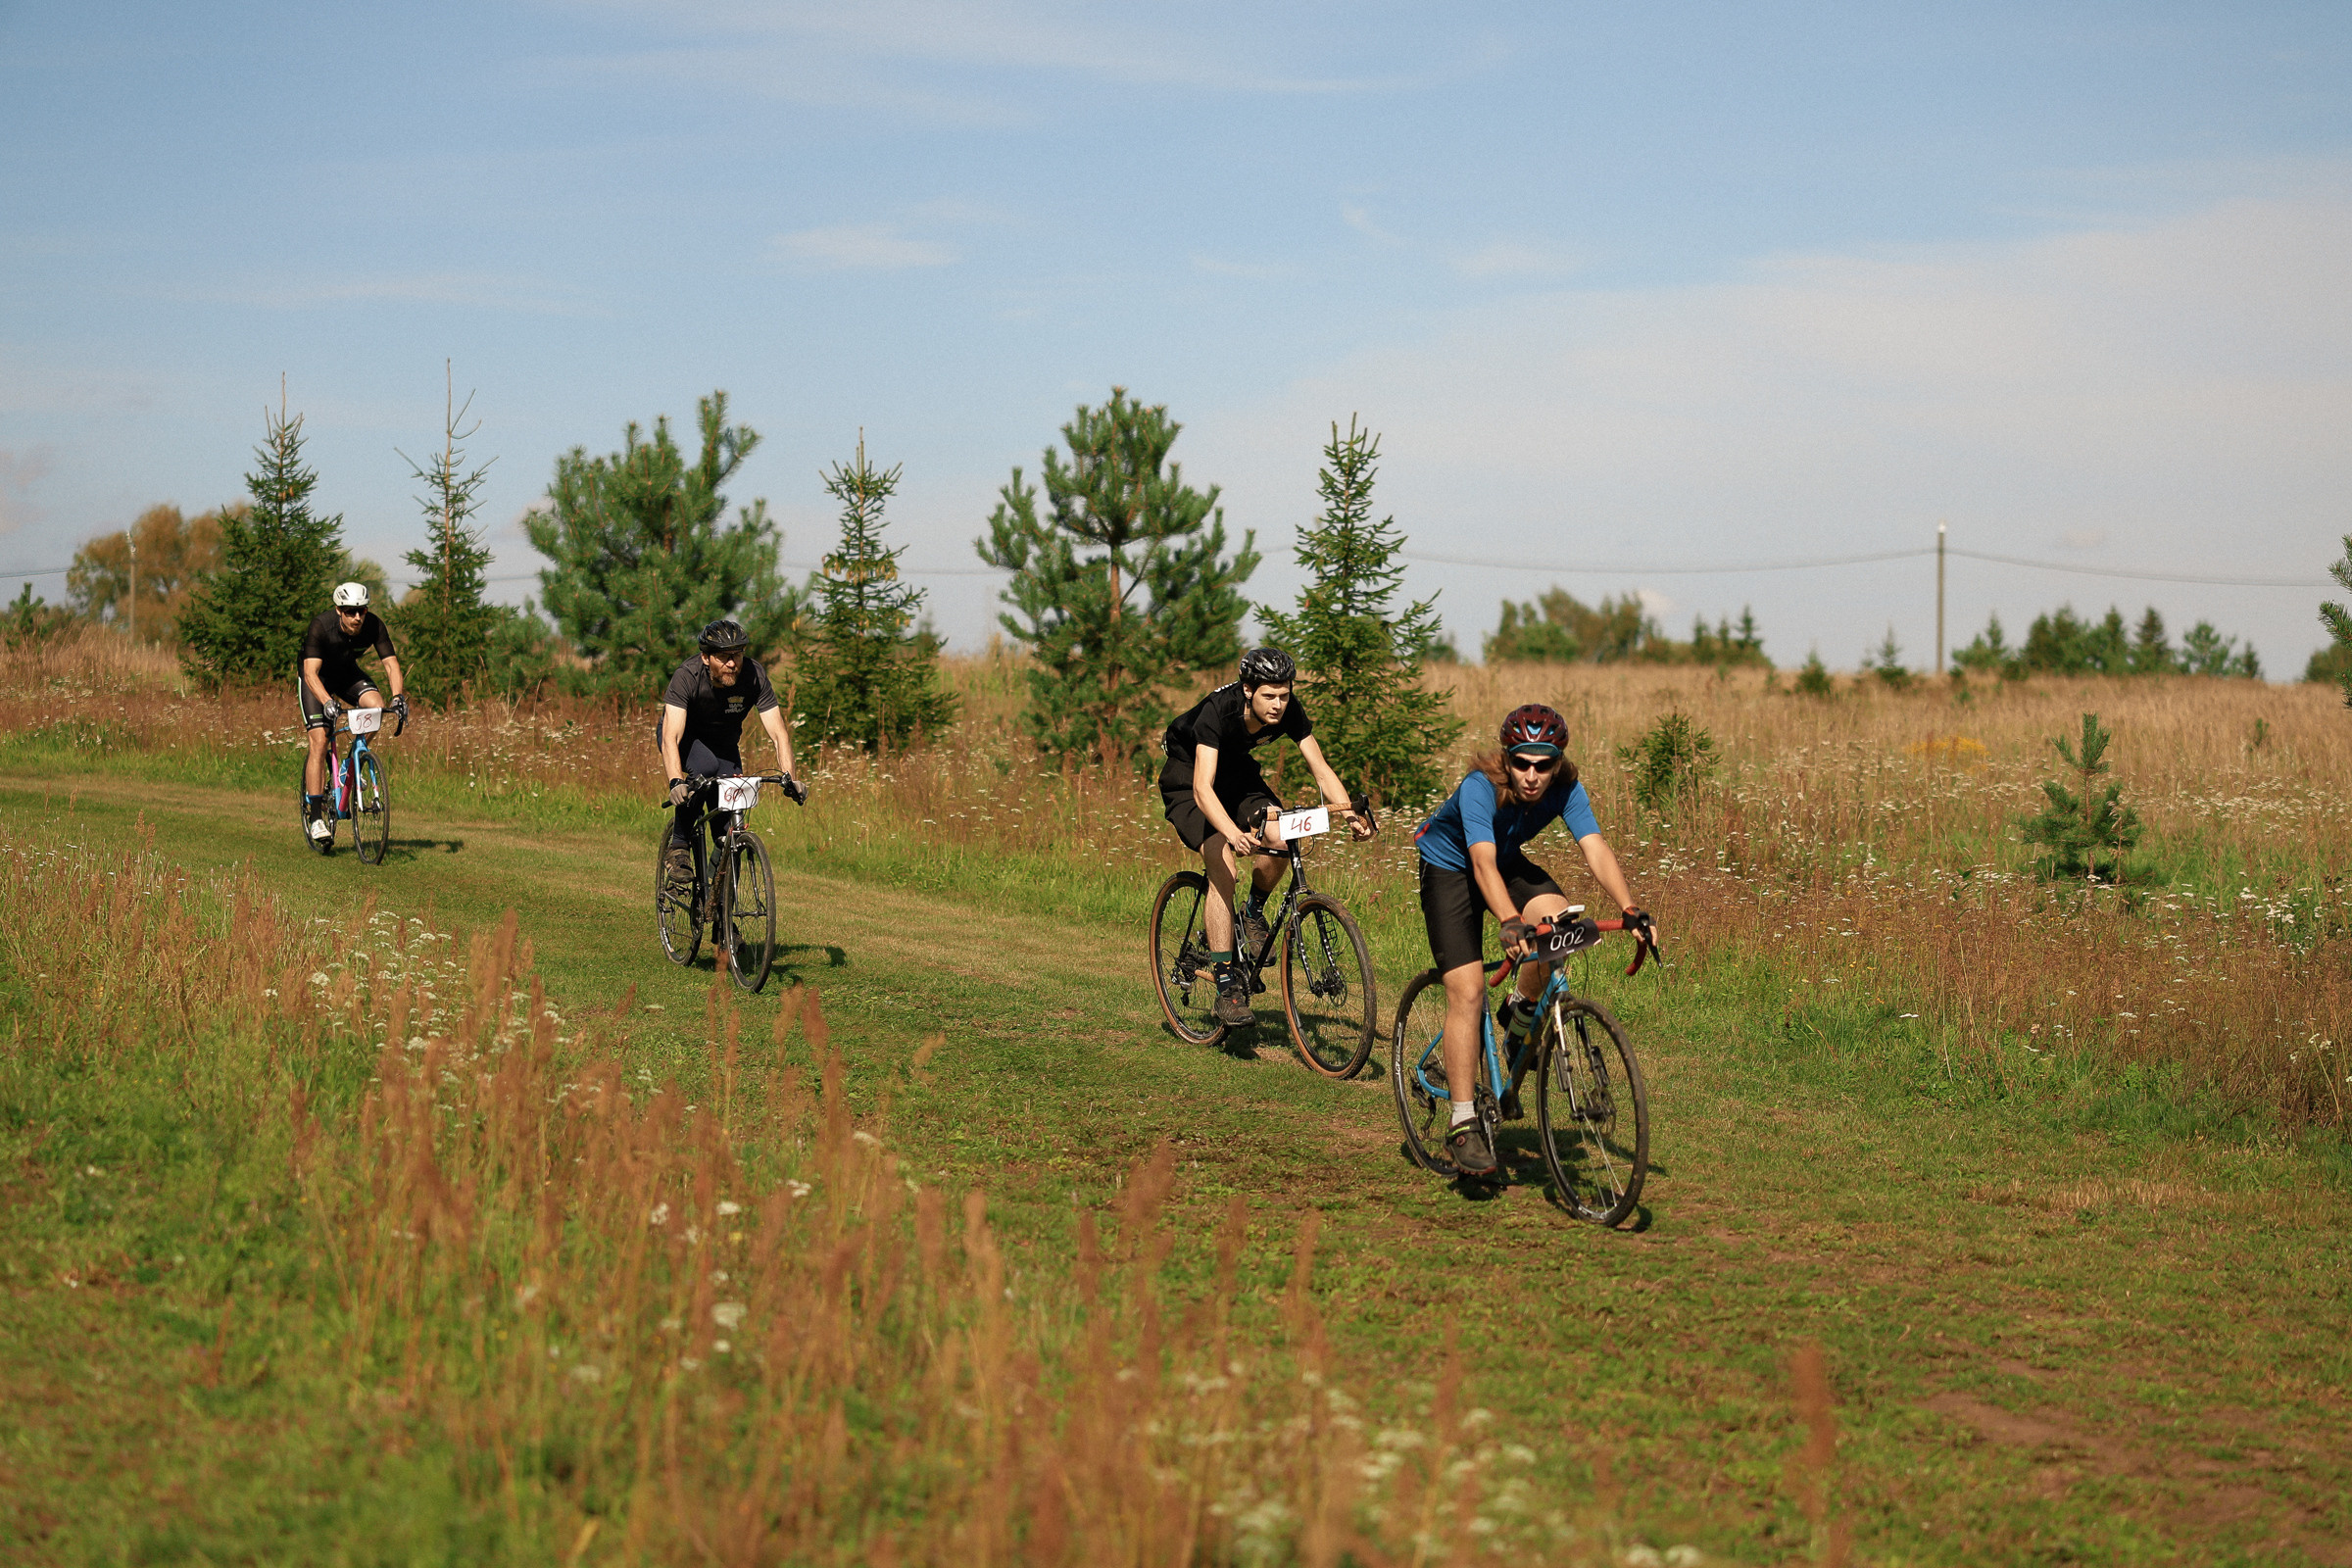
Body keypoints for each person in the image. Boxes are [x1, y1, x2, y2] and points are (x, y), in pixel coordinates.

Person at [1412, 703, 1655, 1176]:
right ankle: (1463, 1123)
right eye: (1521, 762)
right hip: (1451, 867)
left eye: (1543, 765)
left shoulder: (1566, 788)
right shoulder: (1481, 787)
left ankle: (1520, 1011)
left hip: (1504, 861)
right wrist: (1507, 918)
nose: (1531, 775)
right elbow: (1480, 863)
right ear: (1507, 759)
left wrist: (1630, 908)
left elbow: (1594, 846)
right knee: (1468, 990)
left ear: (1557, 763)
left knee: (1558, 923)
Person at [1159, 648, 1374, 1028]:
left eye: (1284, 695)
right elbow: (1203, 791)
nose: (1278, 705)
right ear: (1248, 690)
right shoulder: (1217, 712)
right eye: (1269, 696)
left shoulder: (1289, 710)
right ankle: (1226, 991)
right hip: (1189, 778)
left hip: (1237, 776)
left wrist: (1349, 813)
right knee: (1224, 866)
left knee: (1282, 831)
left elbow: (1320, 769)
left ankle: (1253, 914)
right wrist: (1231, 834)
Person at [658, 618, 803, 937]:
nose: (732, 662)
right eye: (724, 656)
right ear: (706, 657)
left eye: (737, 654)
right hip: (685, 739)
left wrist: (790, 776)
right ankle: (680, 846)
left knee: (731, 834)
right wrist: (674, 781)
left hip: (724, 745)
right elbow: (671, 736)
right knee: (704, 770)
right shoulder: (687, 676)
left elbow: (778, 733)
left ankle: (721, 918)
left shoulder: (753, 676)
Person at [298, 581, 408, 843]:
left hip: (347, 674)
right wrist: (326, 701)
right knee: (320, 741)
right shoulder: (321, 626)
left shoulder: (374, 625)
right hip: (317, 679)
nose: (357, 617)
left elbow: (391, 665)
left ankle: (350, 764)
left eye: (361, 610)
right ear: (339, 610)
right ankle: (315, 818)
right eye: (350, 611)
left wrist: (398, 697)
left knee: (376, 707)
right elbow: (310, 673)